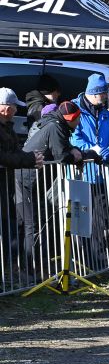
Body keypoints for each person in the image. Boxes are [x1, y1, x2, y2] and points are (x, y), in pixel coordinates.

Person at [19, 101, 93, 270]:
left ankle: (36, 265)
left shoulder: (59, 126)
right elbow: (61, 156)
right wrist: (76, 156)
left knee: (38, 222)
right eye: (78, 119)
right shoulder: (55, 126)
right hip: (26, 179)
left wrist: (76, 152)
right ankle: (29, 269)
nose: (79, 123)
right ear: (71, 118)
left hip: (35, 179)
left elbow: (62, 148)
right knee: (32, 224)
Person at [0, 88, 43, 275]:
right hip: (3, 184)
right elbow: (3, 156)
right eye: (14, 107)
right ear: (5, 108)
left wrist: (31, 158)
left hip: (6, 185)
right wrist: (30, 160)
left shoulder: (8, 128)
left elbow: (15, 151)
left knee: (9, 224)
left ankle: (10, 268)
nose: (17, 111)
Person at [70, 73, 109, 181]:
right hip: (82, 173)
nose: (106, 96)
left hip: (103, 176)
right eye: (103, 93)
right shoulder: (73, 110)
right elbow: (75, 140)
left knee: (102, 197)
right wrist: (97, 150)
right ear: (94, 94)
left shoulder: (105, 113)